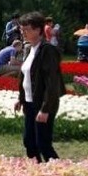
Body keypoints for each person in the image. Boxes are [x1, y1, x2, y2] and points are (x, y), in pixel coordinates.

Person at [13, 11, 65, 163]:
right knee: (29, 141)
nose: (23, 33)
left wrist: (45, 109)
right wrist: (21, 98)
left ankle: (59, 172)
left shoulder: (47, 51)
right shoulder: (30, 49)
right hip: (29, 103)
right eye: (22, 30)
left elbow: (52, 83)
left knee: (43, 144)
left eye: (26, 29)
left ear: (38, 30)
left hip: (42, 103)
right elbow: (26, 76)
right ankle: (38, 172)